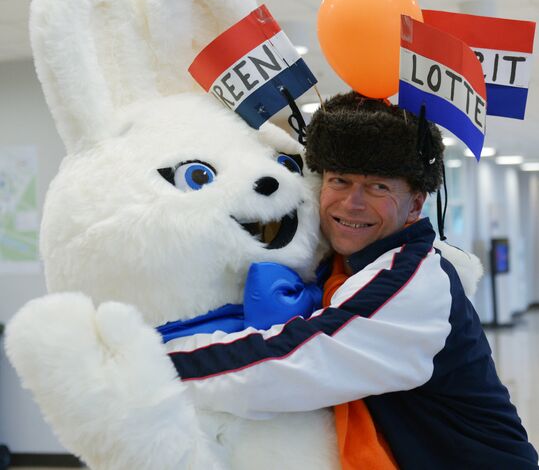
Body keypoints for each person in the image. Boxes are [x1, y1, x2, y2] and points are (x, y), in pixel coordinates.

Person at [168, 92, 538, 469]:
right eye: (340, 180)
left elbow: (287, 364)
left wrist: (154, 360)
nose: (352, 203)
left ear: (415, 204)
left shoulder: (412, 283)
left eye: (378, 186)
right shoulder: (350, 264)